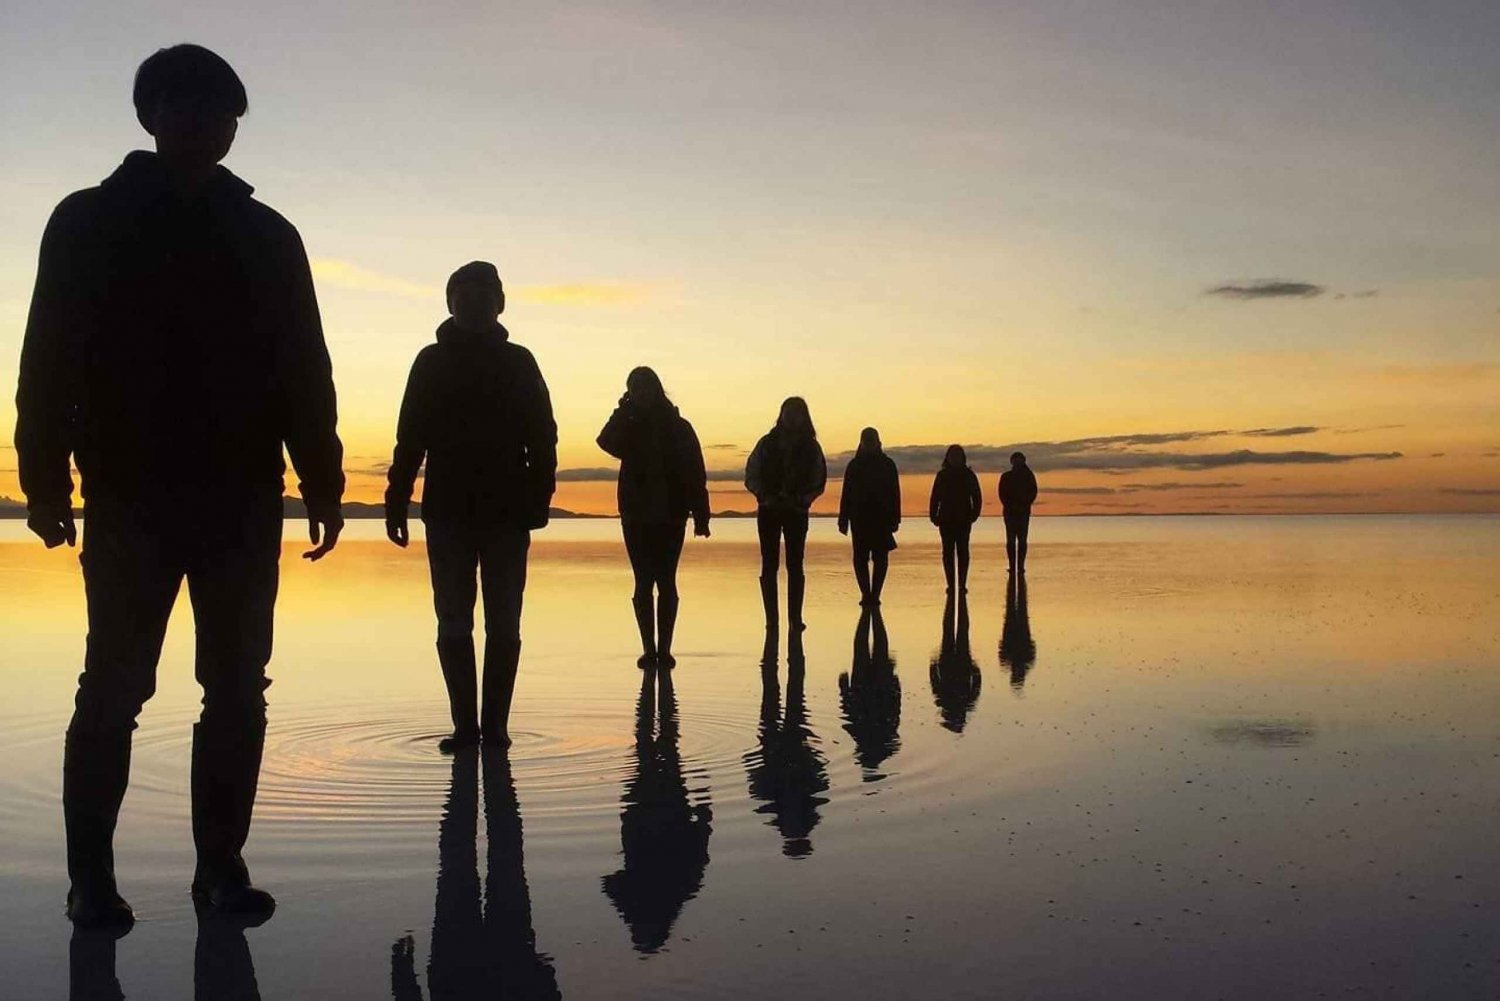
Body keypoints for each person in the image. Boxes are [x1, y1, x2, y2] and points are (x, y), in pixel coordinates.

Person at [15, 44, 345, 929]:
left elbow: (303, 367)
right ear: (151, 114)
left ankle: (220, 869)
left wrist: (322, 477)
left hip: (242, 497)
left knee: (238, 685)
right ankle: (91, 879)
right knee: (114, 687)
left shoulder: (269, 234)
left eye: (223, 109)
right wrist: (43, 477)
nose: (207, 121)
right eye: (187, 104)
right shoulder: (88, 219)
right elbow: (47, 355)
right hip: (128, 494)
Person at [385, 261, 557, 752]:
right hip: (447, 513)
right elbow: (410, 436)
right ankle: (465, 727)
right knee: (454, 620)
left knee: (505, 621)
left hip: (507, 513)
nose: (476, 302)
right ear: (451, 301)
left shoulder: (520, 362)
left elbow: (542, 434)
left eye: (486, 295)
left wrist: (539, 495)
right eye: (466, 294)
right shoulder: (430, 362)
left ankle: (495, 726)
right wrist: (397, 498)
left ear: (499, 304)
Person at [596, 367, 711, 668]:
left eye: (645, 387)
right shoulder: (629, 424)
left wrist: (701, 513)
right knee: (643, 582)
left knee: (667, 581)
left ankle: (665, 650)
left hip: (672, 514)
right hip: (635, 514)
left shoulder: (679, 426)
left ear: (657, 388)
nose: (641, 392)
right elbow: (605, 441)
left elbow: (695, 471)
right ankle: (649, 649)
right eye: (635, 388)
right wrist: (621, 411)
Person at [744, 398, 826, 634]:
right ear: (781, 415)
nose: (791, 418)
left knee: (795, 565)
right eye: (787, 413)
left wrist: (801, 500)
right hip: (769, 510)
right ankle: (772, 619)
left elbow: (818, 481)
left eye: (796, 413)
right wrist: (764, 495)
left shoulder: (811, 448)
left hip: (796, 512)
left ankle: (795, 618)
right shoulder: (766, 444)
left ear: (804, 417)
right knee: (769, 565)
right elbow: (751, 474)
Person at [837, 428, 900, 606]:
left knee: (880, 557)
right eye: (866, 441)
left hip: (882, 517)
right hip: (859, 518)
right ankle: (866, 593)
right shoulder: (854, 465)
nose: (869, 444)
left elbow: (895, 493)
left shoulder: (887, 465)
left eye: (871, 440)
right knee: (860, 557)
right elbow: (846, 494)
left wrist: (895, 518)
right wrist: (843, 519)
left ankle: (875, 594)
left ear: (877, 442)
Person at [928, 444, 982, 592]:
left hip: (964, 519)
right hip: (946, 519)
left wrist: (974, 514)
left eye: (957, 456)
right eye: (952, 456)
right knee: (947, 552)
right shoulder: (942, 475)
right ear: (948, 458)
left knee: (963, 551)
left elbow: (977, 497)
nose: (955, 459)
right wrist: (933, 515)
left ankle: (962, 583)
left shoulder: (968, 475)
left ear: (962, 458)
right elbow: (935, 497)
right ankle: (951, 584)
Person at [998, 451, 1038, 574]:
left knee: (1022, 540)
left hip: (1023, 512)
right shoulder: (1006, 476)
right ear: (1012, 462)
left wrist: (1024, 504)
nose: (1017, 463)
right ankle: (1012, 565)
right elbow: (1002, 494)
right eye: (1015, 460)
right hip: (1010, 512)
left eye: (1020, 460)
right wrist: (1009, 505)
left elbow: (1033, 492)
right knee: (1010, 540)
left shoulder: (1029, 476)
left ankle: (1020, 566)